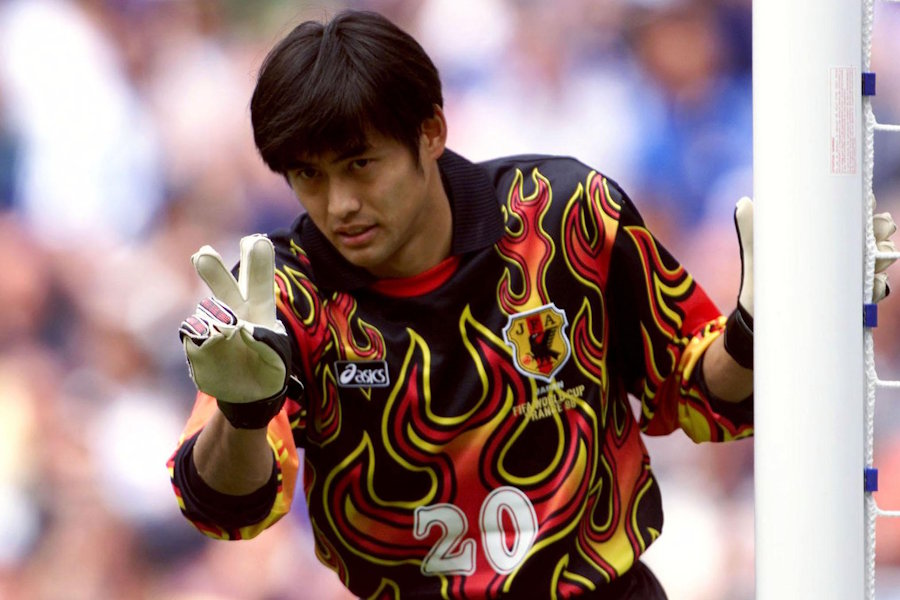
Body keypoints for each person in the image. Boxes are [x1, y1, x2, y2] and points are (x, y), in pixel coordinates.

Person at [165, 9, 889, 598]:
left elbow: (703, 397)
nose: (339, 204)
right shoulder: (279, 296)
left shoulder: (567, 216)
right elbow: (226, 506)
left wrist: (757, 333)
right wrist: (243, 414)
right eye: (308, 176)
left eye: (360, 164)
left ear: (432, 132)